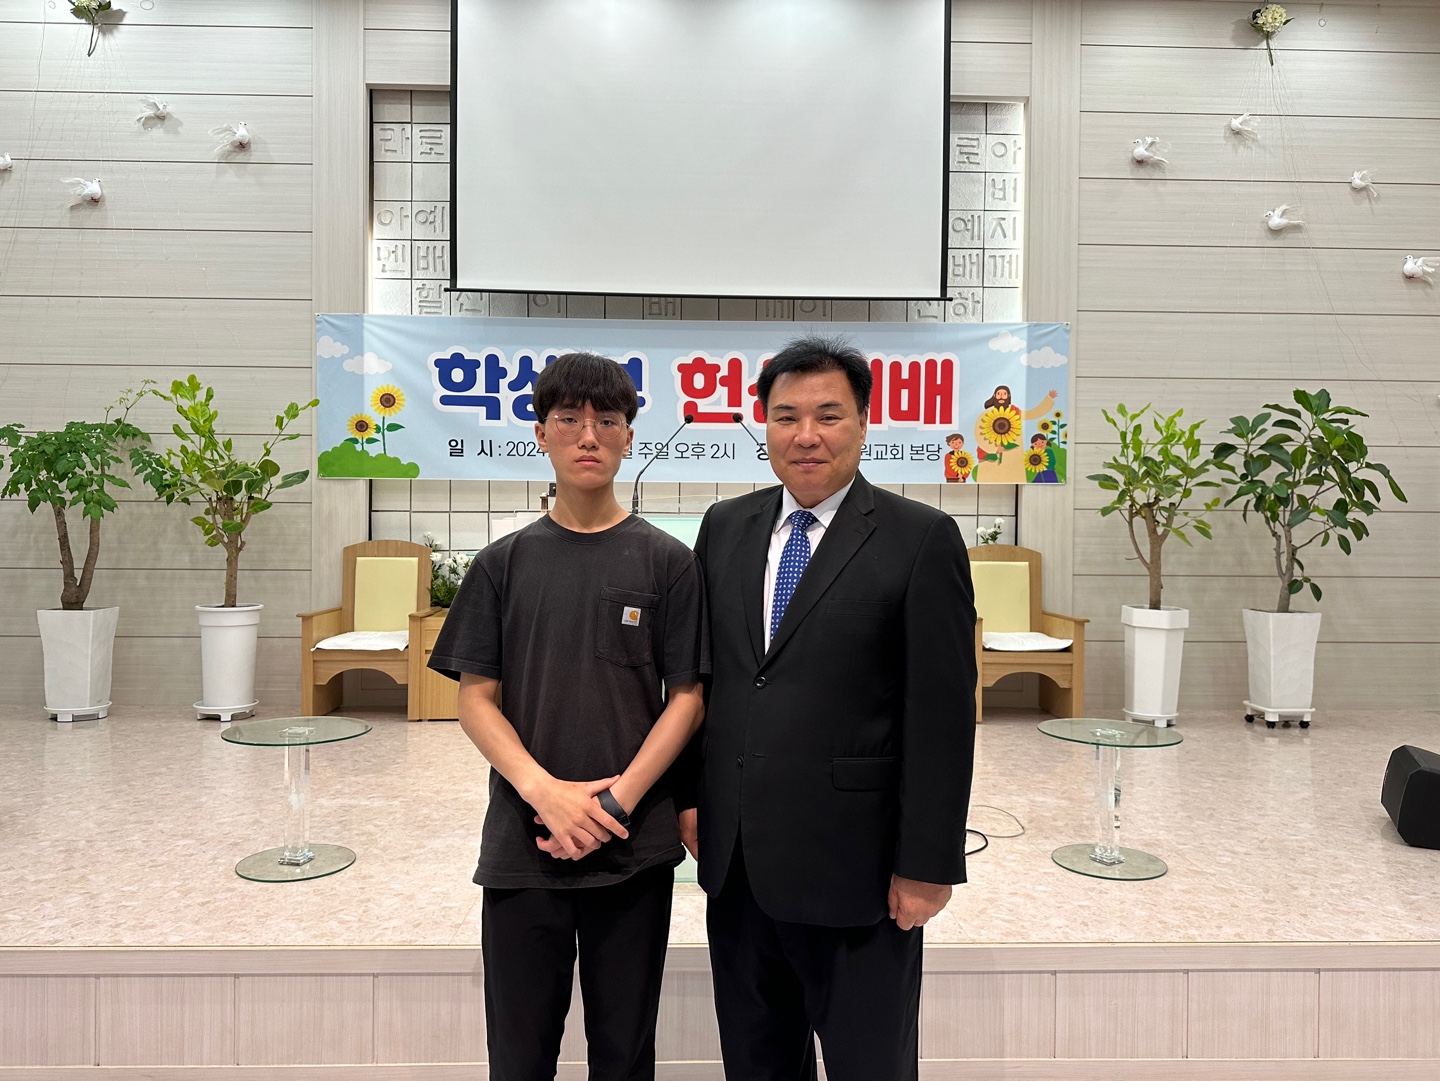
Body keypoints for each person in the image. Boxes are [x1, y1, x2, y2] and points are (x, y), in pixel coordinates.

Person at [678, 335, 976, 1081]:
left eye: (828, 415)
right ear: (765, 424)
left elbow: (941, 717)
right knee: (755, 1063)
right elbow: (705, 680)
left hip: (859, 875)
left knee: (868, 1066)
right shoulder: (724, 527)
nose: (805, 435)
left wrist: (927, 863)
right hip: (739, 869)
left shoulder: (920, 538)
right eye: (786, 417)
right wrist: (690, 799)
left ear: (865, 423)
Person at [428, 352, 709, 1081]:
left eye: (607, 420)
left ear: (629, 437)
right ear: (540, 433)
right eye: (569, 419)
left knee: (625, 1055)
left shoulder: (669, 562)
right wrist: (545, 792)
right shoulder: (502, 564)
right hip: (524, 846)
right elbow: (474, 698)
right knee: (519, 1058)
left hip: (631, 847)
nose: (589, 435)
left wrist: (615, 803)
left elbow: (687, 698)